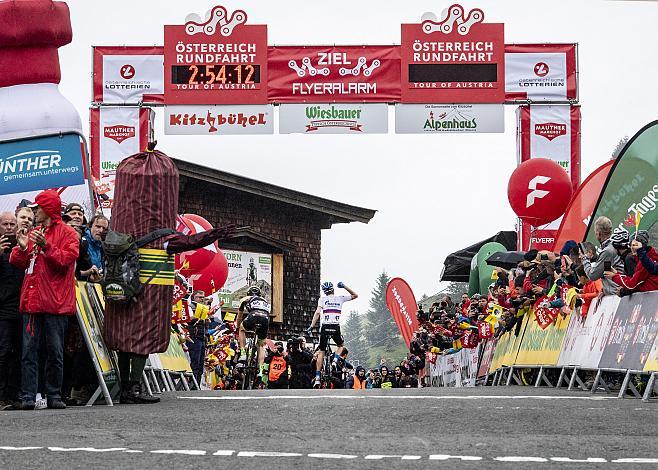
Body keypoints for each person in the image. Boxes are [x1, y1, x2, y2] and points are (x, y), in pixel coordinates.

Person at [9, 190, 79, 410]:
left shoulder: (67, 233)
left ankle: (54, 395)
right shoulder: (34, 232)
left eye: (38, 208)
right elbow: (18, 262)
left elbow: (67, 260)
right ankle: (28, 396)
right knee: (28, 352)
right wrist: (20, 249)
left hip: (55, 303)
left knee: (55, 352)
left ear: (48, 209)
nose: (34, 211)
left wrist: (47, 246)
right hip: (32, 301)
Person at [307, 281, 358, 388]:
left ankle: (317, 378)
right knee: (341, 346)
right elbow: (355, 295)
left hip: (325, 327)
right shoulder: (340, 298)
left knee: (321, 351)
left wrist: (312, 326)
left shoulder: (322, 299)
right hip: (335, 327)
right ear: (333, 289)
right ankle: (334, 361)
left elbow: (317, 313)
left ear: (324, 292)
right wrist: (344, 286)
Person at [0, 213, 24, 410]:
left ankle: (13, 394)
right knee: (3, 352)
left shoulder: (21, 247)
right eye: (5, 224)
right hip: (2, 312)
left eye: (11, 224)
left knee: (19, 354)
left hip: (22, 309)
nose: (9, 227)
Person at [581, 216, 624, 295]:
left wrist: (584, 258)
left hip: (616, 294)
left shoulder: (607, 251)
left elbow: (593, 275)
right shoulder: (612, 247)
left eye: (595, 232)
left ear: (598, 233)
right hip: (616, 292)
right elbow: (607, 271)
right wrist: (605, 290)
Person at [236, 285, 271, 381]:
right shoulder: (264, 300)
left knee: (242, 329)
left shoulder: (245, 299)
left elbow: (239, 316)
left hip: (254, 315)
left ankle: (243, 353)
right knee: (261, 345)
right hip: (265, 318)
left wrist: (238, 327)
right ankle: (260, 369)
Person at [187, 290, 208, 386]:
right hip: (194, 338)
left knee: (200, 365)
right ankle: (192, 385)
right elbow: (188, 319)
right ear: (193, 298)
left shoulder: (204, 308)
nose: (202, 299)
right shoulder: (190, 307)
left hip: (202, 339)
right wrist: (198, 316)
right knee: (194, 363)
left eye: (203, 297)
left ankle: (197, 385)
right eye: (199, 297)